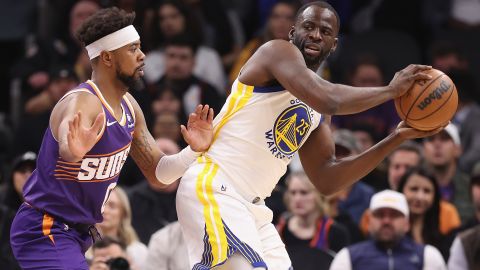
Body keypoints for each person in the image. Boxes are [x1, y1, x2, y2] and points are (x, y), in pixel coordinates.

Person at [175, 1, 442, 269]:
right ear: (293, 32)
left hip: (254, 208)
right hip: (216, 184)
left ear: (334, 45)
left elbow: (327, 179)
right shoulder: (276, 52)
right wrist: (390, 91)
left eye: (325, 31)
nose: (316, 34)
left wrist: (396, 137)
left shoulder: (318, 109)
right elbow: (330, 99)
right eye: (309, 26)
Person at [10, 7, 214, 269]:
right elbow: (67, 142)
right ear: (107, 58)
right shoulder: (83, 102)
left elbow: (158, 175)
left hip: (77, 232)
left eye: (140, 47)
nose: (142, 56)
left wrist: (192, 151)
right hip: (44, 227)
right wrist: (72, 152)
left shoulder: (129, 106)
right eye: (132, 49)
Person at [329, 190, 446, 270]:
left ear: (407, 223)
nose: (386, 221)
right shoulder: (348, 256)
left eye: (394, 215)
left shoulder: (428, 255)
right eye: (379, 215)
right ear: (369, 221)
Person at [397, 167, 460, 257]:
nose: (420, 197)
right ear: (401, 190)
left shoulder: (445, 235)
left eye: (427, 191)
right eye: (414, 189)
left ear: (435, 197)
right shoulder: (389, 232)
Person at [95, 187, 147, 268]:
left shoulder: (138, 251)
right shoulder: (79, 248)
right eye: (101, 205)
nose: (105, 211)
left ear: (123, 213)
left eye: (112, 206)